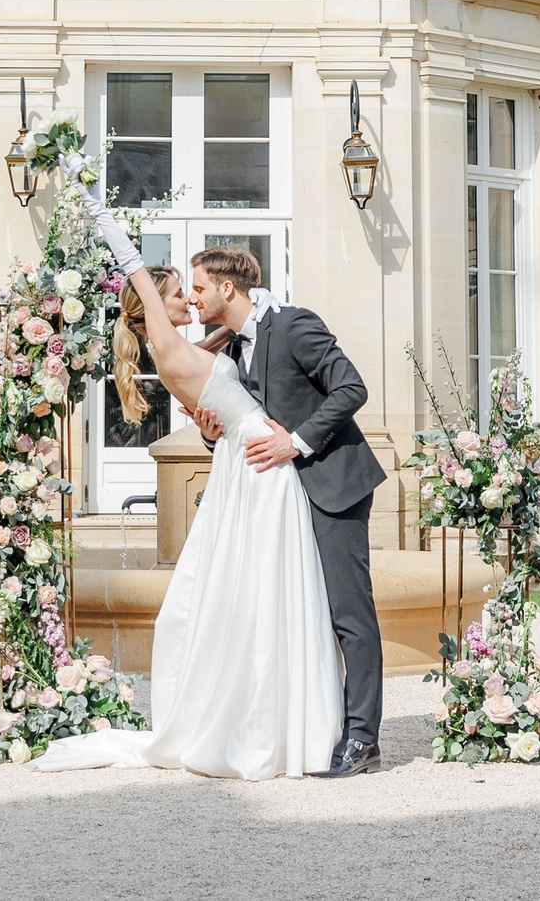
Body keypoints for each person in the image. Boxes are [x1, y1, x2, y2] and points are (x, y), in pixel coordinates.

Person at [29, 220, 343, 780]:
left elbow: (241, 337)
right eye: (180, 293)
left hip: (241, 460)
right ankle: (277, 724)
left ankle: (271, 714)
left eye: (194, 290)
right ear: (152, 305)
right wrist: (102, 214)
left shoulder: (186, 347)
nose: (188, 298)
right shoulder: (168, 343)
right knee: (270, 584)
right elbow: (141, 279)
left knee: (250, 586)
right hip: (261, 465)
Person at [189, 245, 388, 778]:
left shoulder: (294, 324)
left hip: (332, 485)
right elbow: (251, 422)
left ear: (227, 288)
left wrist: (296, 442)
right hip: (280, 499)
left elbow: (352, 388)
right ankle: (315, 730)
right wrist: (214, 437)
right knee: (299, 614)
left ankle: (363, 740)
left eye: (200, 287)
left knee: (348, 615)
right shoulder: (230, 348)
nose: (194, 297)